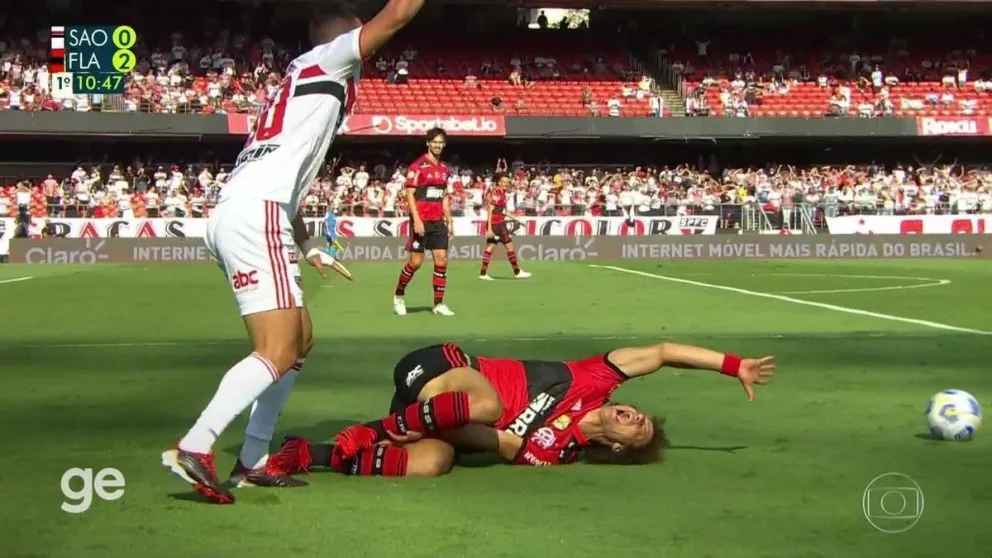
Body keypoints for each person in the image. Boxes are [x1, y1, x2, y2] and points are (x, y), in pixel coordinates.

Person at [160, 0, 426, 504]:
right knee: (276, 350)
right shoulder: (331, 58)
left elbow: (284, 181)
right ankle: (195, 445)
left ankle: (253, 457)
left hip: (246, 209)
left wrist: (310, 246)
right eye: (359, 33)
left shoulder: (300, 81)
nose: (367, 44)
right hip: (255, 213)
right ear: (344, 35)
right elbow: (398, 14)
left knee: (300, 341)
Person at [266, 341, 775, 477]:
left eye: (637, 434)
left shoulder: (553, 455)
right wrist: (734, 367)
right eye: (641, 417)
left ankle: (310, 454)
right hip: (440, 367)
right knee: (488, 404)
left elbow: (488, 441)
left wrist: (428, 438)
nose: (638, 419)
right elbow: (662, 353)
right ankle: (371, 429)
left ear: (616, 447)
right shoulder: (592, 380)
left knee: (435, 462)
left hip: (435, 419)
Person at [392, 127, 456, 317]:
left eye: (441, 142)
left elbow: (443, 196)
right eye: (434, 142)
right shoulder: (417, 166)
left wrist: (450, 221)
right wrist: (417, 220)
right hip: (421, 221)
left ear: (444, 144)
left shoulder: (445, 169)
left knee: (441, 260)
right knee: (416, 262)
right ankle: (398, 295)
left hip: (438, 222)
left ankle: (438, 304)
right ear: (428, 143)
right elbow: (409, 194)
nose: (437, 145)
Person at [479, 172, 531, 280]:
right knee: (509, 246)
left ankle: (483, 274)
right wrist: (489, 229)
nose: (506, 184)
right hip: (497, 224)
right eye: (504, 182)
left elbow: (502, 211)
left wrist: (516, 219)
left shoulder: (501, 193)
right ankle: (517, 272)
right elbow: (490, 210)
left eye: (508, 182)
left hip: (495, 224)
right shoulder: (496, 193)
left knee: (490, 247)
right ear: (499, 182)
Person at [322, 208, 352, 281]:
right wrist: (327, 230)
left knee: (331, 244)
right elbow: (325, 222)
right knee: (333, 243)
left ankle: (331, 256)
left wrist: (337, 231)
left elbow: (334, 225)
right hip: (330, 232)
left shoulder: (333, 216)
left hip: (333, 231)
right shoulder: (328, 214)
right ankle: (331, 257)